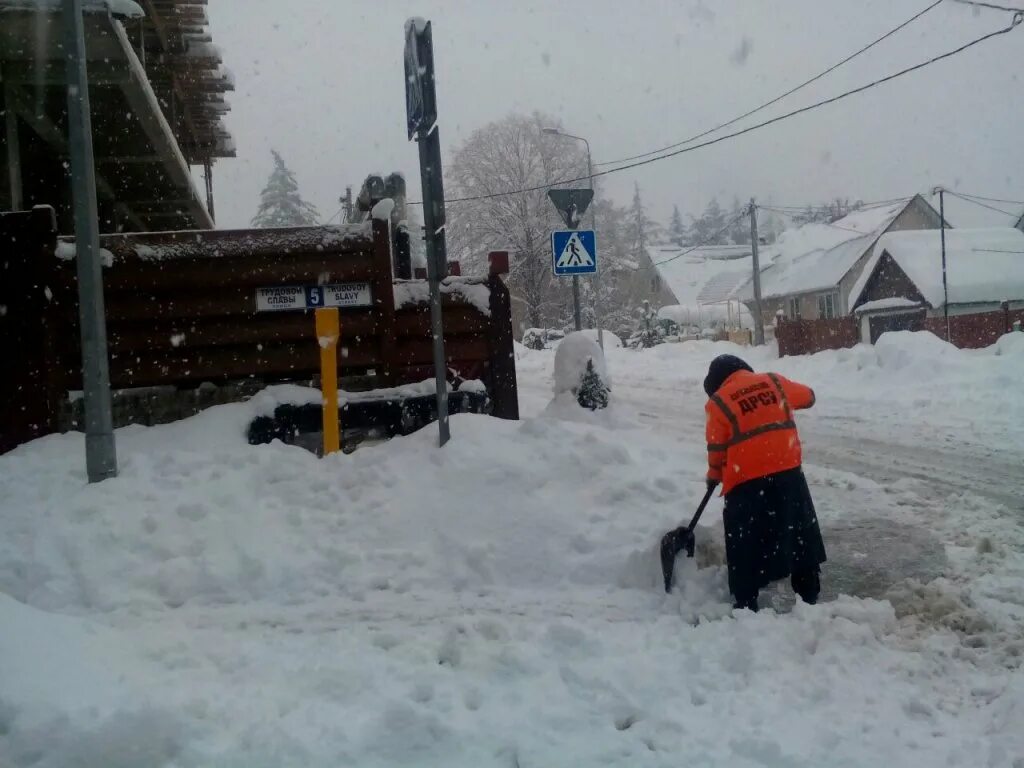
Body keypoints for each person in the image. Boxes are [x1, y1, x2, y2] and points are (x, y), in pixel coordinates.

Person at [703, 354, 826, 611]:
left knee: (745, 541)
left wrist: (714, 476)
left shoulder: (718, 403)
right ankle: (809, 590)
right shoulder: (773, 381)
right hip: (788, 474)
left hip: (745, 483)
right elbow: (809, 397)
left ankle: (746, 599)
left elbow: (716, 447)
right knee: (798, 530)